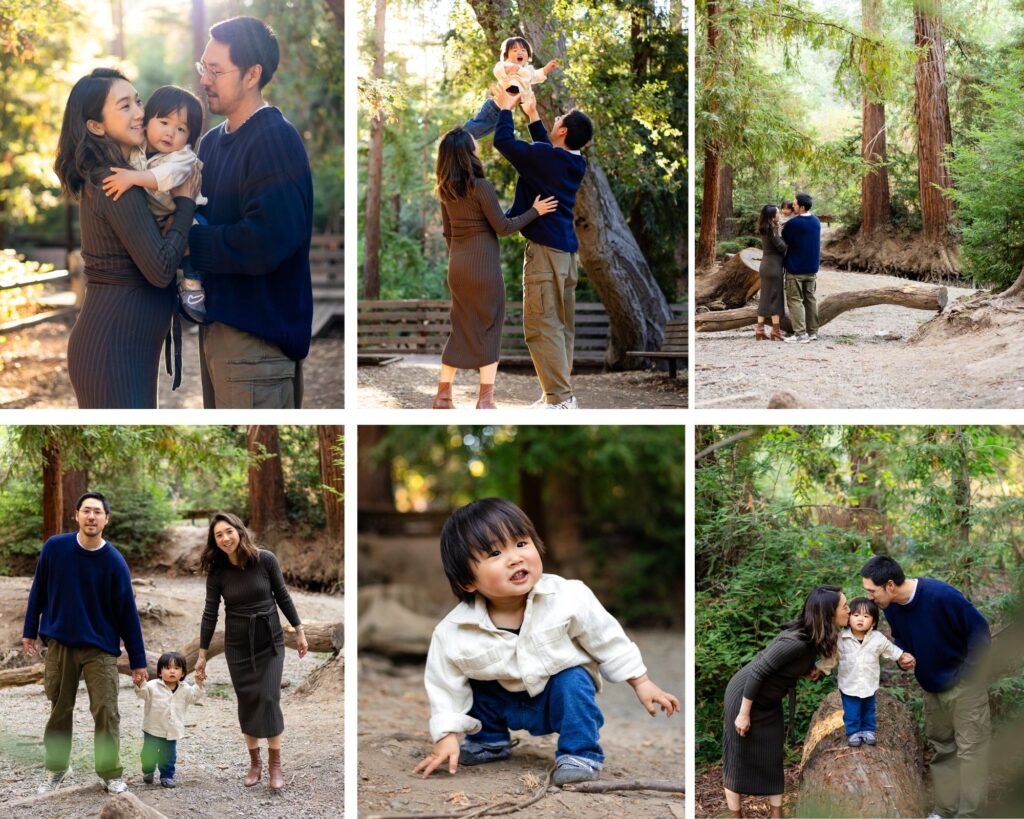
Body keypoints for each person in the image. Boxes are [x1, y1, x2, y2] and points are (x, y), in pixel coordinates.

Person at [413, 498, 679, 784]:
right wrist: (446, 736)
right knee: (474, 680)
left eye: (521, 544)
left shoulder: (568, 596)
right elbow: (444, 687)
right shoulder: (454, 631)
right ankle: (488, 741)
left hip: (554, 697)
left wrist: (641, 681)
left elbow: (607, 638)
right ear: (468, 581)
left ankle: (580, 754)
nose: (515, 558)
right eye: (494, 553)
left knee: (575, 678)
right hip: (501, 700)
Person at [54, 68, 201, 407]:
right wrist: (186, 203)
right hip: (111, 349)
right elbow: (161, 269)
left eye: (138, 101)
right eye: (125, 106)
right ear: (96, 125)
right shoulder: (115, 184)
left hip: (126, 346)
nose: (139, 113)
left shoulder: (131, 176)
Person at [188, 16, 314, 408]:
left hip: (256, 342)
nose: (205, 79)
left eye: (216, 70)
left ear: (251, 74)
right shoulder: (209, 144)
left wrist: (188, 242)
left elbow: (267, 240)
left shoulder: (275, 139)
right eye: (203, 68)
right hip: (216, 333)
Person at [21, 492, 148, 795]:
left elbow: (127, 614)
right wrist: (29, 629)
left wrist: (139, 661)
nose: (92, 517)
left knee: (106, 710)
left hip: (100, 648)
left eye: (98, 512)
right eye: (86, 511)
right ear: (76, 515)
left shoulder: (115, 562)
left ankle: (109, 772)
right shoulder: (55, 548)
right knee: (59, 709)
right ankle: (56, 768)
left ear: (107, 519)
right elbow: (38, 589)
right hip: (60, 643)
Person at [431, 127, 558, 409]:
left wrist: (459, 260)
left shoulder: (445, 191)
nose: (477, 149)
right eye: (474, 146)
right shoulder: (481, 187)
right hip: (484, 268)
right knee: (489, 327)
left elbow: (448, 233)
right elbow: (503, 227)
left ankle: (442, 395)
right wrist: (536, 211)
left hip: (458, 268)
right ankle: (485, 400)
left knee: (460, 327)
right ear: (467, 154)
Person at [860, 555, 991, 819]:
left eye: (872, 591)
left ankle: (971, 815)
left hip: (965, 688)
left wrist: (968, 674)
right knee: (943, 751)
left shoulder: (941, 595)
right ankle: (945, 810)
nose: (870, 597)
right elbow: (902, 638)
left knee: (971, 754)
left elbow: (980, 630)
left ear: (889, 585)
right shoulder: (892, 607)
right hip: (932, 689)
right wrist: (904, 657)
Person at [492, 87, 593, 409]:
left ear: (562, 130)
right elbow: (546, 154)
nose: (555, 119)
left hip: (545, 252)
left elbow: (504, 143)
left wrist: (506, 109)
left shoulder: (546, 158)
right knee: (560, 326)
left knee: (541, 325)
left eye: (559, 118)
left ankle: (561, 400)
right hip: (566, 253)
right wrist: (533, 115)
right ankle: (557, 394)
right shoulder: (576, 162)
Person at [194, 512, 308, 791]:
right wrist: (202, 653)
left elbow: (282, 595)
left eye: (228, 532)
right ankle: (254, 762)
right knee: (247, 699)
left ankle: (275, 765)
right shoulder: (218, 571)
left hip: (269, 639)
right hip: (238, 643)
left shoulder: (265, 559)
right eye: (218, 535)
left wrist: (300, 630)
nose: (224, 538)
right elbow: (210, 613)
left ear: (239, 531)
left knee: (269, 697)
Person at [722, 585, 850, 819]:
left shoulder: (814, 640)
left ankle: (776, 814)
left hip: (769, 700)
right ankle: (735, 815)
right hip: (745, 696)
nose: (849, 611)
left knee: (772, 755)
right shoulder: (796, 641)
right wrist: (743, 713)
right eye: (845, 606)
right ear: (829, 612)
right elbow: (758, 672)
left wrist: (810, 670)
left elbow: (787, 669)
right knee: (737, 758)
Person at [100, 85, 210, 324]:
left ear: (189, 137)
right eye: (164, 122)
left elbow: (165, 177)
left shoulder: (183, 158)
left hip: (184, 215)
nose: (170, 133)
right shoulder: (136, 148)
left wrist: (131, 178)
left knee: (196, 232)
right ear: (147, 121)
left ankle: (192, 286)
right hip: (153, 219)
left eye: (181, 129)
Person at [816, 597, 911, 747]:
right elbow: (831, 659)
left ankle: (868, 730)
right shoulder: (841, 639)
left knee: (869, 709)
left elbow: (890, 649)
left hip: (869, 683)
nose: (861, 619)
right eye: (856, 615)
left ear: (873, 622)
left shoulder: (877, 639)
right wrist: (820, 668)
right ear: (849, 618)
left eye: (866, 616)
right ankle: (853, 732)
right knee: (852, 711)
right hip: (849, 684)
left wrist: (901, 655)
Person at [462, 36, 559, 140]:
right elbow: (497, 70)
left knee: (478, 133)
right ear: (507, 55)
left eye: (523, 50)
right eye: (515, 50)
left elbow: (536, 76)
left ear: (528, 55)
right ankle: (455, 137)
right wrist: (509, 69)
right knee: (475, 128)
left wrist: (547, 68)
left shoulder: (528, 70)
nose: (519, 52)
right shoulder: (506, 64)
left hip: (505, 111)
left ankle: (461, 143)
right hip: (494, 107)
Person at [135, 651, 205, 788]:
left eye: (176, 668)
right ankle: (148, 771)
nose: (172, 671)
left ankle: (167, 776)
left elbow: (194, 697)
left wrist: (199, 683)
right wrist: (140, 683)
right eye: (167, 668)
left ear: (183, 672)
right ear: (160, 672)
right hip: (152, 728)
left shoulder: (185, 689)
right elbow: (142, 693)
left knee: (169, 756)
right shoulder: (152, 686)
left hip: (172, 731)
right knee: (148, 753)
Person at [781, 192, 821, 344]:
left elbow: (784, 241)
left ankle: (800, 334)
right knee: (810, 299)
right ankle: (813, 332)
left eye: (795, 204)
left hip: (795, 269)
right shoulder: (816, 221)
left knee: (795, 300)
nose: (793, 206)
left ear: (802, 207)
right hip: (811, 268)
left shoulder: (793, 223)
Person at [755, 204, 786, 341]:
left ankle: (760, 330)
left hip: (765, 265)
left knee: (764, 298)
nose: (779, 215)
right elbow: (781, 247)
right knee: (775, 298)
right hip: (773, 267)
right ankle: (776, 331)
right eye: (778, 213)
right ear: (773, 216)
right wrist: (783, 236)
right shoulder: (772, 229)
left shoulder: (764, 228)